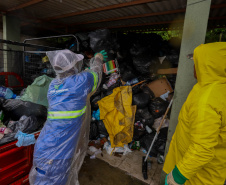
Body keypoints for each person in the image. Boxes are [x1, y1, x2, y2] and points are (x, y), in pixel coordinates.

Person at [29, 49, 107, 185]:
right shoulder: (82, 81)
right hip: (59, 153)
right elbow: (96, 73)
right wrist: (98, 59)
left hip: (43, 146)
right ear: (73, 66)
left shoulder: (53, 85)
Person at [164, 42, 226, 185]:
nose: (194, 67)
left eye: (196, 62)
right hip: (211, 167)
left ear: (208, 66)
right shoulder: (215, 87)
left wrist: (177, 177)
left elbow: (202, 149)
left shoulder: (207, 100)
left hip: (195, 177)